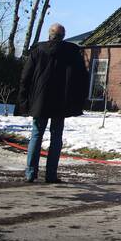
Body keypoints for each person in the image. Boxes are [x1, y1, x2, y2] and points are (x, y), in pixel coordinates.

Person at [17, 23, 88, 183]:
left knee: (36, 134)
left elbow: (25, 77)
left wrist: (24, 100)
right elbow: (82, 78)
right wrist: (78, 100)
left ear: (49, 35)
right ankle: (51, 174)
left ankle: (30, 172)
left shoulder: (37, 51)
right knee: (56, 137)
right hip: (61, 102)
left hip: (39, 101)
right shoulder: (72, 52)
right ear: (63, 36)